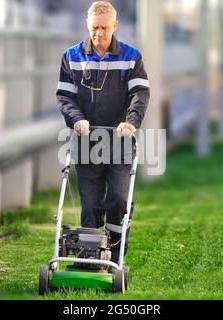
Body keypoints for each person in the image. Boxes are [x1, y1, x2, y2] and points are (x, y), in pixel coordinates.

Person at [56, 1, 150, 264]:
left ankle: (115, 254)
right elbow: (64, 97)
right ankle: (90, 259)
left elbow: (140, 94)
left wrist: (131, 121)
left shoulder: (131, 57)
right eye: (95, 28)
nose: (99, 34)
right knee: (90, 205)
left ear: (115, 26)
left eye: (104, 28)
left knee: (118, 199)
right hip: (87, 142)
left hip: (119, 141)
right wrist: (76, 120)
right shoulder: (72, 57)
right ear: (88, 26)